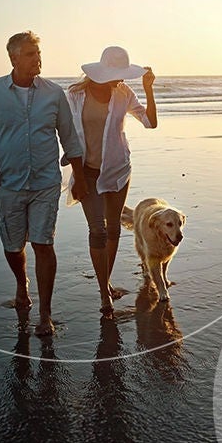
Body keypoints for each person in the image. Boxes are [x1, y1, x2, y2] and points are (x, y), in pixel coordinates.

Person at [0, 30, 88, 336]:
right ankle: (21, 285)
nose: (36, 59)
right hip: (9, 185)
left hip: (46, 183)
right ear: (13, 58)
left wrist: (78, 177)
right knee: (13, 247)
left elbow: (70, 140)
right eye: (29, 54)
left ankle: (45, 313)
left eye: (38, 53)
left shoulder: (53, 94)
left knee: (43, 243)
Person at [66, 45, 157, 319]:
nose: (121, 80)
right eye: (118, 74)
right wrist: (77, 176)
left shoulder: (124, 94)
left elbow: (150, 122)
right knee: (98, 231)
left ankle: (105, 283)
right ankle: (104, 292)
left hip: (117, 170)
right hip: (86, 172)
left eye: (123, 75)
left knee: (114, 228)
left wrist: (148, 88)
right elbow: (67, 136)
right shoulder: (75, 96)